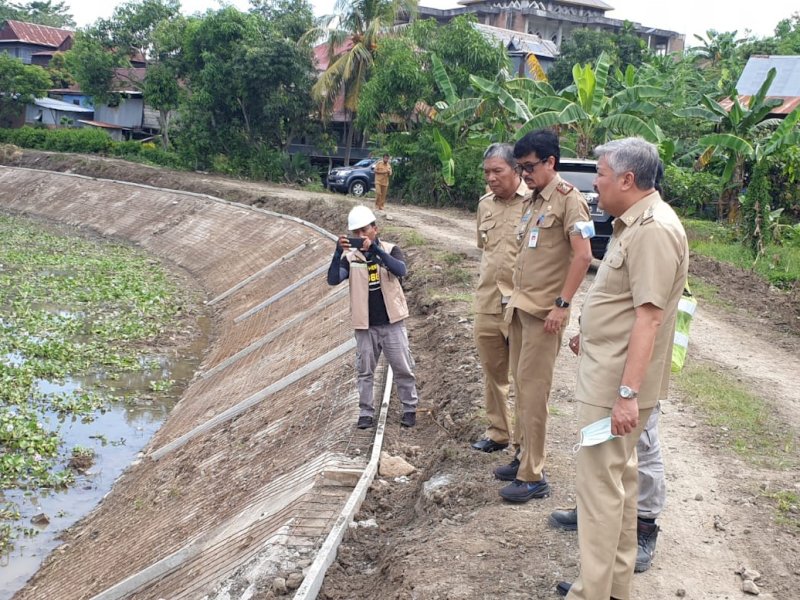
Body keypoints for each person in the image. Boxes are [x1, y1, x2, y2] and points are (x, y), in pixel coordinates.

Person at [557, 138, 688, 600]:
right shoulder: (632, 223)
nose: (595, 184)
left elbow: (649, 317)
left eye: (602, 175)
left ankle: (591, 593)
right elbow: (624, 301)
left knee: (598, 490)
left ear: (628, 180)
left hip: (614, 382)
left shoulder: (653, 229)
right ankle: (611, 586)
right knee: (620, 484)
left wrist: (627, 394)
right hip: (608, 368)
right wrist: (588, 331)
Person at [495, 129, 594, 502]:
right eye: (520, 168)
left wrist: (562, 304)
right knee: (522, 385)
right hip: (522, 308)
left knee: (535, 392)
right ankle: (521, 454)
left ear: (551, 162)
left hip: (545, 314)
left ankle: (533, 475)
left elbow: (583, 256)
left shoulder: (571, 201)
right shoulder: (535, 200)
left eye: (530, 167)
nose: (524, 175)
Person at [326, 205, 418, 429]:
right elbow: (333, 279)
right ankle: (366, 413)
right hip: (365, 325)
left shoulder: (390, 249)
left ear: (375, 229)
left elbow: (401, 270)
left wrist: (376, 252)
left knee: (403, 368)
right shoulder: (351, 258)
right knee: (365, 371)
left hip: (392, 323)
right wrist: (338, 253)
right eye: (355, 233)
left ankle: (410, 409)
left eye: (364, 230)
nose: (360, 236)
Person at [471, 143, 530, 453]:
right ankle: (498, 433)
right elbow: (484, 248)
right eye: (487, 172)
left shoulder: (535, 202)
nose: (491, 178)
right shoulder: (485, 205)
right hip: (488, 302)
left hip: (522, 304)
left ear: (516, 170)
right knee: (493, 372)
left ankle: (523, 441)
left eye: (497, 171)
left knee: (523, 377)